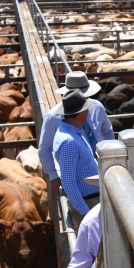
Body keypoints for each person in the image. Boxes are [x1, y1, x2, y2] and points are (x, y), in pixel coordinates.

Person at [38, 71, 114, 201]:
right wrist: (53, 175)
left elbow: (107, 132)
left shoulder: (97, 107)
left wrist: (112, 159)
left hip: (101, 168)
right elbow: (44, 148)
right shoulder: (52, 117)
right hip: (73, 173)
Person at [53, 89, 102, 228]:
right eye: (86, 110)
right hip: (88, 203)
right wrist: (86, 214)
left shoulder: (71, 132)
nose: (88, 113)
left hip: (91, 200)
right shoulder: (69, 141)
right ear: (81, 113)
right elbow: (68, 182)